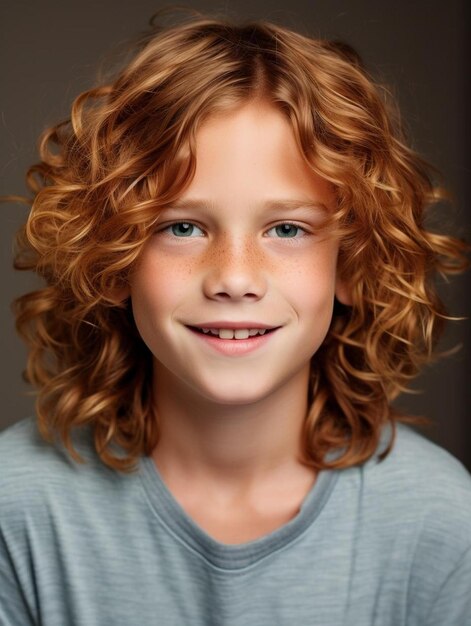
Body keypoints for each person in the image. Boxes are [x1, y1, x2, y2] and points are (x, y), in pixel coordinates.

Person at [0, 8, 470, 626]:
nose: (235, 278)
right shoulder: (18, 507)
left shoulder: (440, 521)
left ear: (353, 264)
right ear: (114, 259)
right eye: (183, 226)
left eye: (287, 228)